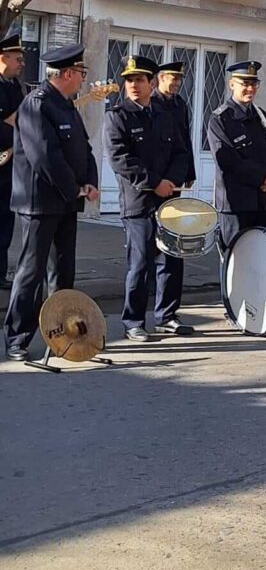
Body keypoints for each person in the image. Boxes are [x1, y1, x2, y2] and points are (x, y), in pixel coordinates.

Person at [4, 44, 99, 361]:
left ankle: (60, 336)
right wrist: (73, 188)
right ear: (69, 73)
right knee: (31, 272)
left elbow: (83, 148)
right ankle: (17, 338)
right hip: (39, 203)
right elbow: (45, 156)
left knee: (62, 272)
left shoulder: (67, 105)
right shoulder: (37, 104)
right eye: (82, 73)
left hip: (67, 203)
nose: (84, 80)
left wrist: (91, 182)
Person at [103, 55, 194, 343]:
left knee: (170, 259)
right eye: (129, 80)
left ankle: (167, 315)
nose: (133, 85)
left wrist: (172, 181)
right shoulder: (118, 116)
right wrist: (155, 183)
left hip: (168, 199)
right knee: (140, 264)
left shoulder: (165, 115)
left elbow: (181, 151)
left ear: (151, 83)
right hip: (139, 203)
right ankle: (133, 321)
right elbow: (120, 159)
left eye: (139, 80)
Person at [207, 60, 266, 250]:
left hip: (263, 202)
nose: (250, 88)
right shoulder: (220, 119)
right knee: (236, 260)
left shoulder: (261, 117)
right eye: (244, 83)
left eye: (253, 84)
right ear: (232, 84)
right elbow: (228, 161)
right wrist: (261, 176)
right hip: (236, 204)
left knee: (263, 258)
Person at [0, 33, 27, 289]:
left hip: (10, 166)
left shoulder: (17, 87)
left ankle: (0, 274)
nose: (21, 64)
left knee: (5, 223)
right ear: (2, 58)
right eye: (17, 59)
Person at [151, 61, 196, 190]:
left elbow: (185, 139)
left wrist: (190, 173)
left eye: (180, 79)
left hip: (177, 172)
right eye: (174, 79)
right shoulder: (150, 102)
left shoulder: (180, 104)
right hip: (157, 171)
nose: (177, 83)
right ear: (161, 78)